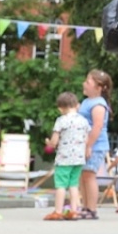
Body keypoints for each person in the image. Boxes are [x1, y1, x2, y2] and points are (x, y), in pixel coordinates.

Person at [45, 92, 90, 221]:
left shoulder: (61, 120)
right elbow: (86, 139)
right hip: (78, 158)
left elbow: (54, 141)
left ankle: (58, 211)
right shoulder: (83, 121)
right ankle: (74, 211)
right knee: (74, 185)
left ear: (60, 108)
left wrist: (49, 143)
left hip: (64, 158)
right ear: (77, 105)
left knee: (61, 185)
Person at [77, 68, 112, 220]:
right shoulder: (86, 102)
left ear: (98, 87)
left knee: (89, 175)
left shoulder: (98, 104)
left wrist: (88, 145)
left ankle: (92, 208)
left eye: (88, 81)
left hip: (95, 146)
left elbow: (97, 127)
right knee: (83, 176)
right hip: (86, 145)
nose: (84, 84)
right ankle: (85, 206)